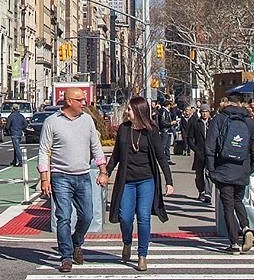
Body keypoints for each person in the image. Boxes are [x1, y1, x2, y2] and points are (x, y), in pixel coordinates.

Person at [38, 87, 108, 273]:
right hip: (60, 176)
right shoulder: (51, 122)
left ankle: (77, 242)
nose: (84, 103)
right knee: (63, 217)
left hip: (83, 175)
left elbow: (96, 146)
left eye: (84, 100)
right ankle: (66, 256)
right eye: (80, 100)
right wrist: (45, 178)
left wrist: (103, 171)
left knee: (87, 216)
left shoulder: (87, 121)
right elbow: (44, 151)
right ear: (69, 101)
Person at [106, 96, 173, 273]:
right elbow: (116, 155)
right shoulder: (123, 129)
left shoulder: (151, 131)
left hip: (146, 180)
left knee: (143, 216)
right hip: (126, 181)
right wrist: (106, 172)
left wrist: (169, 181)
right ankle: (127, 242)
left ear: (138, 111)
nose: (126, 112)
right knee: (125, 217)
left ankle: (142, 255)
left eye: (129, 109)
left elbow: (161, 157)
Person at [205, 91, 254, 254]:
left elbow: (210, 146)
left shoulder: (219, 119)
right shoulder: (248, 121)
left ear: (226, 102)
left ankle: (234, 243)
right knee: (238, 201)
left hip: (223, 169)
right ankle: (245, 228)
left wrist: (211, 169)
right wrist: (249, 169)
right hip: (242, 169)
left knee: (228, 206)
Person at [187, 103, 213, 203]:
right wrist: (195, 149)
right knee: (199, 174)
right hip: (199, 152)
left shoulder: (212, 123)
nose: (204, 114)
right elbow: (190, 138)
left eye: (206, 112)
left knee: (209, 173)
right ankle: (201, 190)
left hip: (210, 153)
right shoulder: (196, 123)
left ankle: (208, 193)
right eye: (203, 112)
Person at [156, 99, 174, 165]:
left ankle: (167, 159)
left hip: (168, 130)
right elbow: (162, 122)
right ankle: (161, 159)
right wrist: (171, 123)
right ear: (168, 105)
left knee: (167, 146)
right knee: (163, 145)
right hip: (165, 130)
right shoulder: (163, 111)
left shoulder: (167, 111)